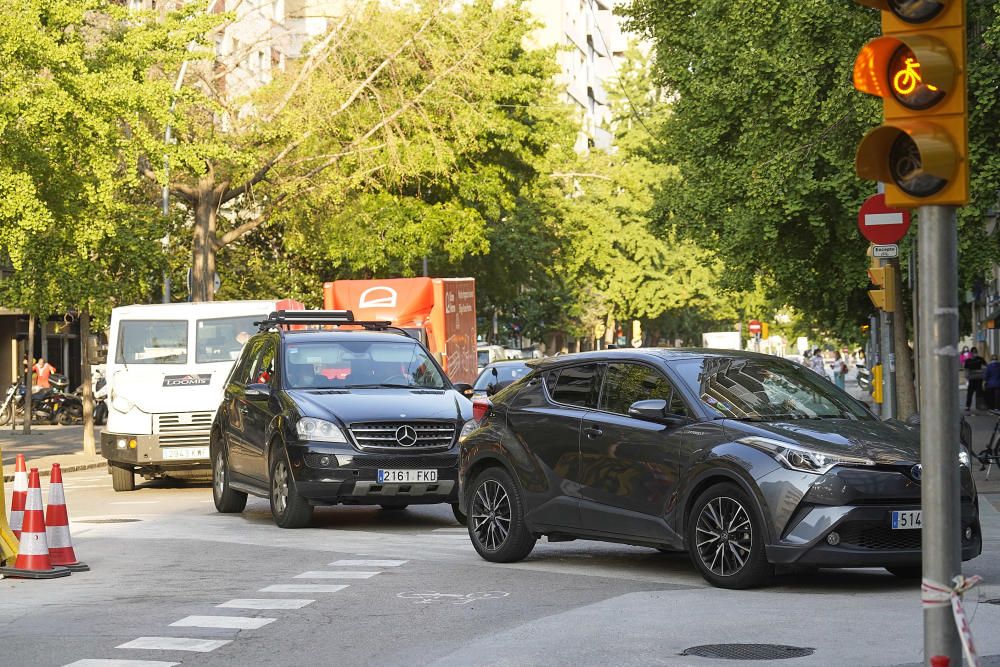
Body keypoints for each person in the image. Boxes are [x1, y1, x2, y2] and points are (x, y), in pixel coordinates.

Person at [964, 347, 986, 414]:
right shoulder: (968, 361)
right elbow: (966, 370)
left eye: (975, 352)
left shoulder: (980, 359)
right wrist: (967, 376)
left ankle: (979, 405)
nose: (974, 353)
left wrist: (978, 371)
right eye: (973, 352)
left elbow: (985, 367)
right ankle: (968, 406)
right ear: (971, 353)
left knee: (979, 393)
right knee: (970, 393)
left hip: (979, 379)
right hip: (972, 379)